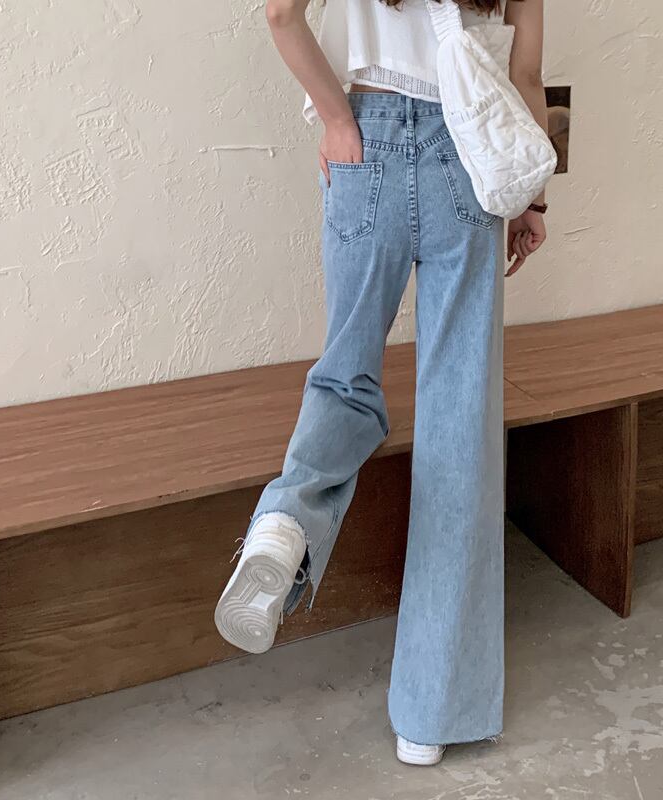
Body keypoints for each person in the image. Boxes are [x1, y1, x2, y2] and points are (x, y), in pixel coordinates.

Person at [215, 0, 551, 766]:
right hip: (465, 156)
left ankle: (286, 520)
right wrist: (532, 200)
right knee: (458, 417)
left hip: (363, 141)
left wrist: (337, 119)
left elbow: (281, 14)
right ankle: (429, 718)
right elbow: (526, 75)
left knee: (345, 378)